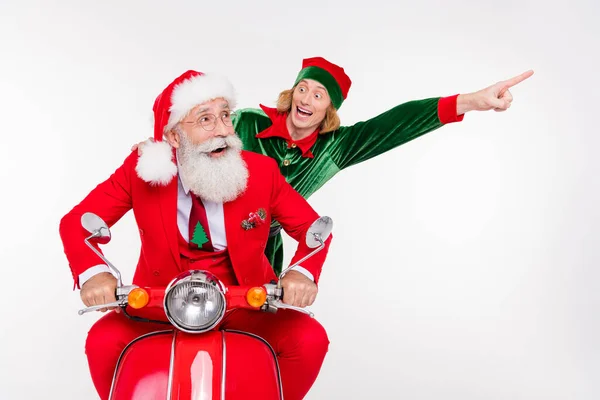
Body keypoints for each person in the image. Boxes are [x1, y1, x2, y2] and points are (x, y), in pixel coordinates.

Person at [59, 70, 333, 400]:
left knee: (308, 340)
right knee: (103, 342)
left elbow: (312, 228)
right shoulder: (141, 170)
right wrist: (95, 274)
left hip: (246, 303)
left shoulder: (261, 172)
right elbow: (76, 222)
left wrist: (301, 275)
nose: (223, 132)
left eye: (225, 117)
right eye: (205, 120)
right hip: (159, 307)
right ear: (174, 137)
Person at [134, 57, 534, 276]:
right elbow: (199, 135)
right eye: (303, 88)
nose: (306, 99)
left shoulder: (336, 148)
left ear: (330, 109)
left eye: (319, 94)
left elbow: (392, 124)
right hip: (196, 239)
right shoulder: (248, 121)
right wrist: (157, 151)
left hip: (257, 248)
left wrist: (469, 101)